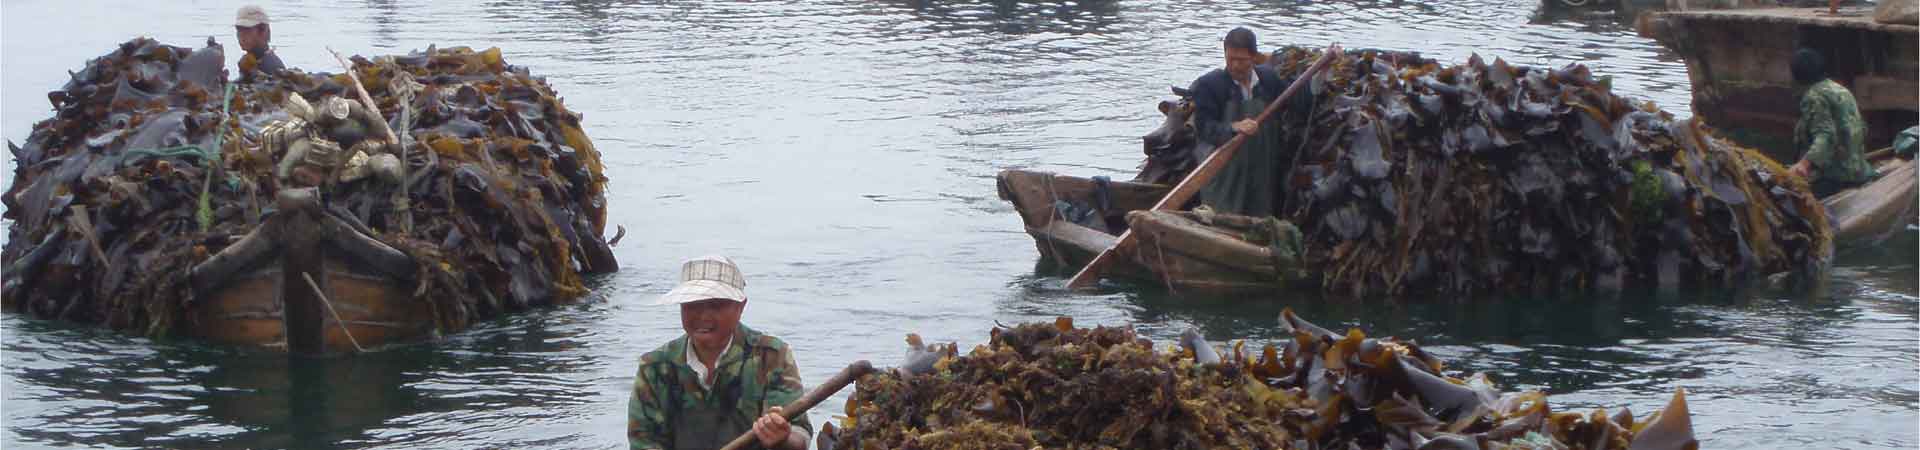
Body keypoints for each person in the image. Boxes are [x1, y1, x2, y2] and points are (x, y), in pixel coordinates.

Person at [629, 256, 811, 450]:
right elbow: (643, 441)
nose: (703, 316)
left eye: (716, 305)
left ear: (740, 307)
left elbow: (800, 436)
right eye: (692, 305)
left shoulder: (772, 356)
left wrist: (782, 437)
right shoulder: (654, 368)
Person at [1186, 27, 1310, 217]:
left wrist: (1319, 77)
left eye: (1241, 60)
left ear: (1254, 57)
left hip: (1261, 172)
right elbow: (1204, 128)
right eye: (1230, 59)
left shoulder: (1268, 79)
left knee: (1259, 221)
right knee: (1222, 221)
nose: (1235, 66)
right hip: (1225, 176)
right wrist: (1232, 127)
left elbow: (1297, 105)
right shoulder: (1210, 85)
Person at [1787, 48, 1876, 197]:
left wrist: (1804, 165)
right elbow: (1862, 128)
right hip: (1858, 170)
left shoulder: (1814, 96)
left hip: (1834, 178)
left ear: (1797, 75)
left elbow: (1825, 135)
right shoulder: (1840, 89)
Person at [234, 5, 286, 74]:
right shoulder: (249, 63)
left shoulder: (270, 65)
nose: (241, 36)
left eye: (247, 30)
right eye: (239, 30)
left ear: (263, 31)